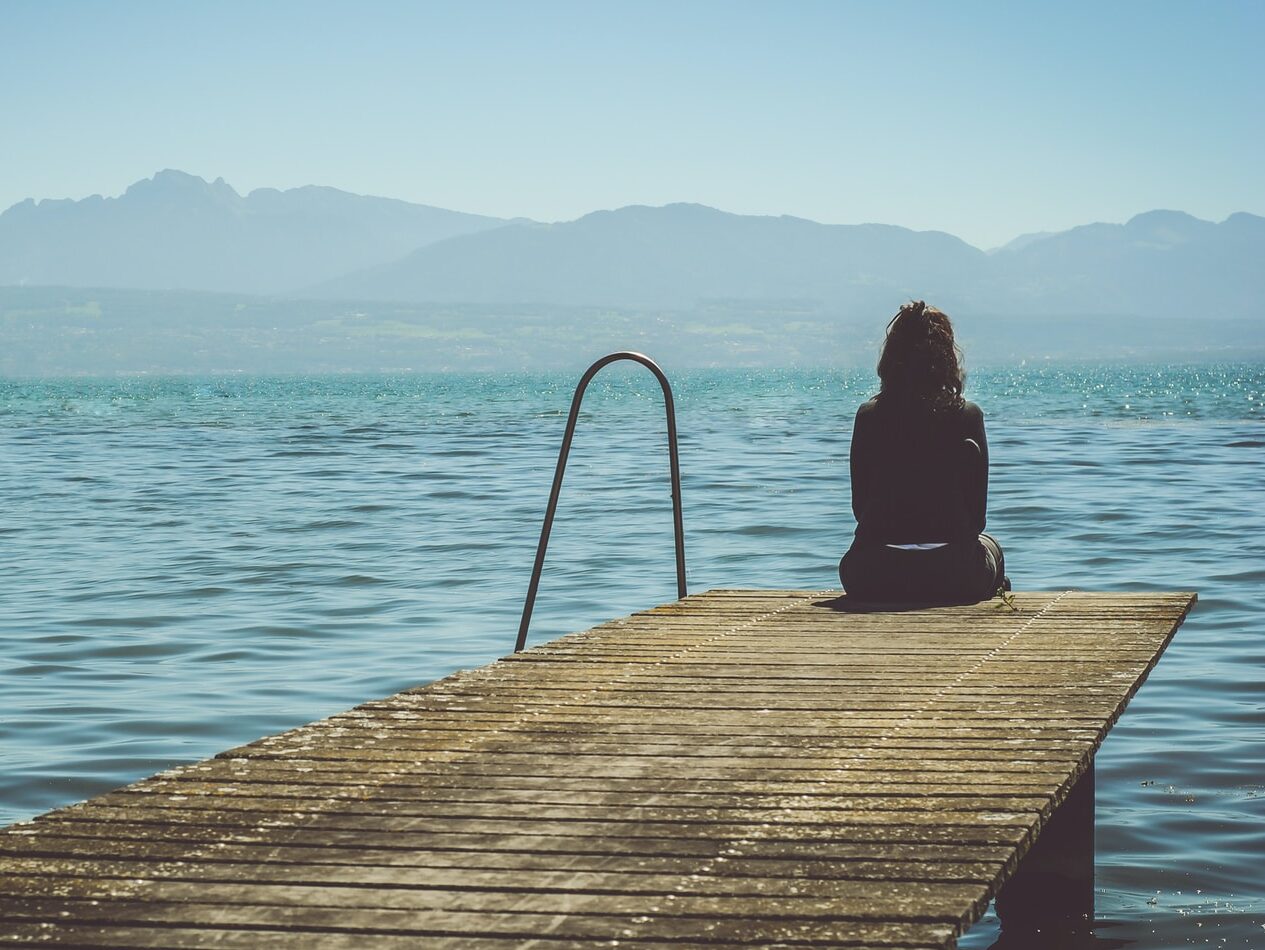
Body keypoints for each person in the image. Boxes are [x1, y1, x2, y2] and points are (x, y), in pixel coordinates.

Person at [839, 300, 1008, 603]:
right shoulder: (968, 416)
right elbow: (977, 520)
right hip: (956, 575)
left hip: (874, 573)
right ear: (947, 360)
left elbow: (859, 509)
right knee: (991, 546)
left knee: (852, 560)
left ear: (890, 359)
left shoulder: (868, 417)